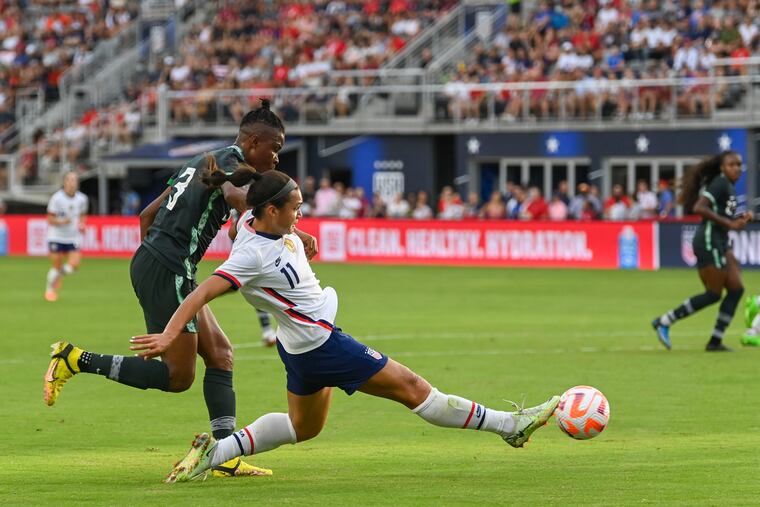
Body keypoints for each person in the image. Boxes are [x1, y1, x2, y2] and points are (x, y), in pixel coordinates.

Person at [126, 171, 560, 483]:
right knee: (412, 387)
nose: (301, 214)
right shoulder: (250, 254)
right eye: (295, 209)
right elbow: (201, 293)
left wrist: (299, 232)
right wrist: (169, 334)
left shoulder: (254, 220)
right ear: (272, 210)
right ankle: (510, 424)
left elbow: (240, 193)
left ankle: (214, 452)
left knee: (303, 427)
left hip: (298, 349)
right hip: (321, 345)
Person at [43, 100, 317, 478]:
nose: (277, 158)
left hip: (164, 266)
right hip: (167, 269)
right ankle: (74, 359)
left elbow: (147, 215)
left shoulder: (203, 160)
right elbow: (241, 205)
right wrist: (296, 230)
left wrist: (157, 259)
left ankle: (223, 455)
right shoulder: (235, 169)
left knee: (221, 354)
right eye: (275, 148)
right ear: (253, 141)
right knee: (178, 377)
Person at [651, 151, 751, 352]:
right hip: (708, 240)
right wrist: (729, 223)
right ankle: (664, 321)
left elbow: (722, 214)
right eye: (732, 164)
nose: (737, 168)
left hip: (721, 241)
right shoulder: (720, 183)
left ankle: (715, 340)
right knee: (713, 294)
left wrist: (741, 218)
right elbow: (699, 207)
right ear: (722, 167)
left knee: (736, 288)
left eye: (739, 164)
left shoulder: (729, 186)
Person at [45, 171, 88, 302]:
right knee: (56, 265)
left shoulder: (82, 199)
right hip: (56, 236)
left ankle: (58, 276)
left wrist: (82, 224)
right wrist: (62, 222)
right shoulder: (56, 198)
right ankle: (50, 290)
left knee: (74, 264)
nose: (72, 183)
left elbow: (83, 215)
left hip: (73, 236)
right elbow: (50, 219)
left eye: (74, 180)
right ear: (64, 182)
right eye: (69, 180)